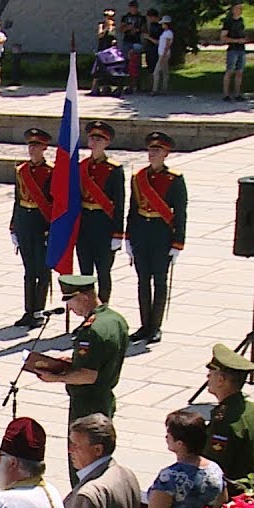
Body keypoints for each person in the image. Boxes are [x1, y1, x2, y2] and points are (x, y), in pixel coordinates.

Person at [33, 275, 129, 478]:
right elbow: (102, 359)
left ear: (84, 298)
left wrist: (56, 377)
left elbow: (88, 375)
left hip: (87, 402)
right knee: (100, 452)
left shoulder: (91, 331)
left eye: (71, 301)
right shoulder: (115, 320)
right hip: (104, 397)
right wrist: (74, 360)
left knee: (82, 456)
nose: (70, 307)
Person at [126, 131, 186, 344]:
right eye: (151, 149)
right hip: (142, 232)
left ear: (166, 154)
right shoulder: (138, 177)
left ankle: (155, 326)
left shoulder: (174, 179)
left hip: (162, 234)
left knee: (159, 281)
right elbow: (133, 209)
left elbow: (180, 212)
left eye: (157, 150)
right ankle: (144, 325)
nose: (152, 154)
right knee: (143, 281)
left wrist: (178, 242)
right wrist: (128, 237)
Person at [139, 410, 225, 508]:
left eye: (169, 435)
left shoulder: (169, 477)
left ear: (180, 444)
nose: (166, 437)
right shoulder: (215, 470)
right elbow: (221, 505)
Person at [202, 343, 254, 497]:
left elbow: (213, 466)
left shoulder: (226, 421)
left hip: (228, 493)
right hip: (248, 487)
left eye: (211, 373)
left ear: (221, 380)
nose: (207, 377)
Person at [11, 128, 54, 328]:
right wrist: (14, 226)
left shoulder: (51, 172)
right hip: (24, 222)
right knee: (29, 270)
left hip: (41, 223)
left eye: (36, 145)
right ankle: (28, 311)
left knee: (42, 271)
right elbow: (17, 200)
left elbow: (55, 203)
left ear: (44, 148)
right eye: (30, 145)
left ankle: (39, 311)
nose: (32, 149)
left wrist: (51, 229)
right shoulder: (22, 171)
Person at [77, 121, 125, 303]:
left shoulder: (113, 169)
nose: (95, 142)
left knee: (103, 272)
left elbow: (119, 203)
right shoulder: (82, 166)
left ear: (106, 143)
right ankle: (87, 311)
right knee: (85, 273)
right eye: (92, 138)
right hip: (85, 223)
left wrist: (118, 233)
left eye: (99, 139)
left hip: (104, 224)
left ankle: (103, 311)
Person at [119, 0, 147, 90]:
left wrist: (137, 30)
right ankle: (126, 83)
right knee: (125, 62)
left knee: (136, 62)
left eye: (135, 7)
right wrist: (127, 27)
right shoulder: (125, 17)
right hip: (127, 41)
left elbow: (145, 29)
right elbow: (121, 29)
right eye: (132, 7)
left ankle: (136, 83)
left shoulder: (141, 18)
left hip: (137, 41)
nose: (133, 9)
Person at [221, 3, 247, 101]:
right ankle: (226, 94)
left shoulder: (241, 21)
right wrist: (236, 41)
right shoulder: (228, 22)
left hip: (242, 49)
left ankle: (237, 94)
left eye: (240, 8)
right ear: (233, 9)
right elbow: (223, 37)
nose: (239, 10)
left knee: (239, 72)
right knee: (230, 71)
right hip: (232, 49)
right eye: (237, 8)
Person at [151, 16, 173, 94]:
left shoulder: (169, 33)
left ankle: (155, 89)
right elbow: (160, 43)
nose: (162, 25)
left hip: (163, 54)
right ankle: (164, 88)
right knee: (165, 71)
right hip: (162, 53)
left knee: (156, 72)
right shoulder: (165, 33)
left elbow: (167, 45)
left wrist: (164, 55)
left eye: (163, 24)